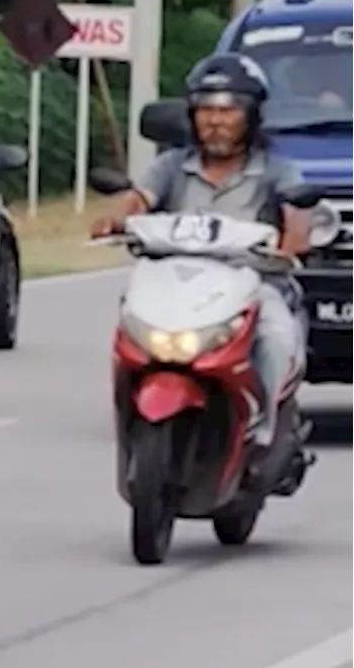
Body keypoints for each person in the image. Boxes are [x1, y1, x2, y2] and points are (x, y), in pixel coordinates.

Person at [90, 52, 312, 486]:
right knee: (130, 313)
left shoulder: (277, 170)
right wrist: (114, 220)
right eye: (206, 109)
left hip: (253, 282)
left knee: (277, 336)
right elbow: (138, 199)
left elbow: (296, 219)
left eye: (228, 110)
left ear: (251, 117)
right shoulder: (172, 165)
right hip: (177, 281)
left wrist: (290, 246)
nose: (215, 121)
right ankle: (129, 406)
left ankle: (261, 423)